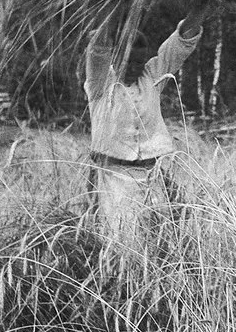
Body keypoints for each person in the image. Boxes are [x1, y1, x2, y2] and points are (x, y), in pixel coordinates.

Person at [83, 15, 203, 249]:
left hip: (153, 176)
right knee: (119, 245)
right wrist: (112, 8)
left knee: (158, 243)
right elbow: (97, 50)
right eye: (130, 61)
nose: (135, 68)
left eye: (140, 62)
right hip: (114, 179)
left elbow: (179, 45)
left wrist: (203, 9)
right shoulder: (100, 83)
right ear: (117, 58)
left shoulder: (151, 76)